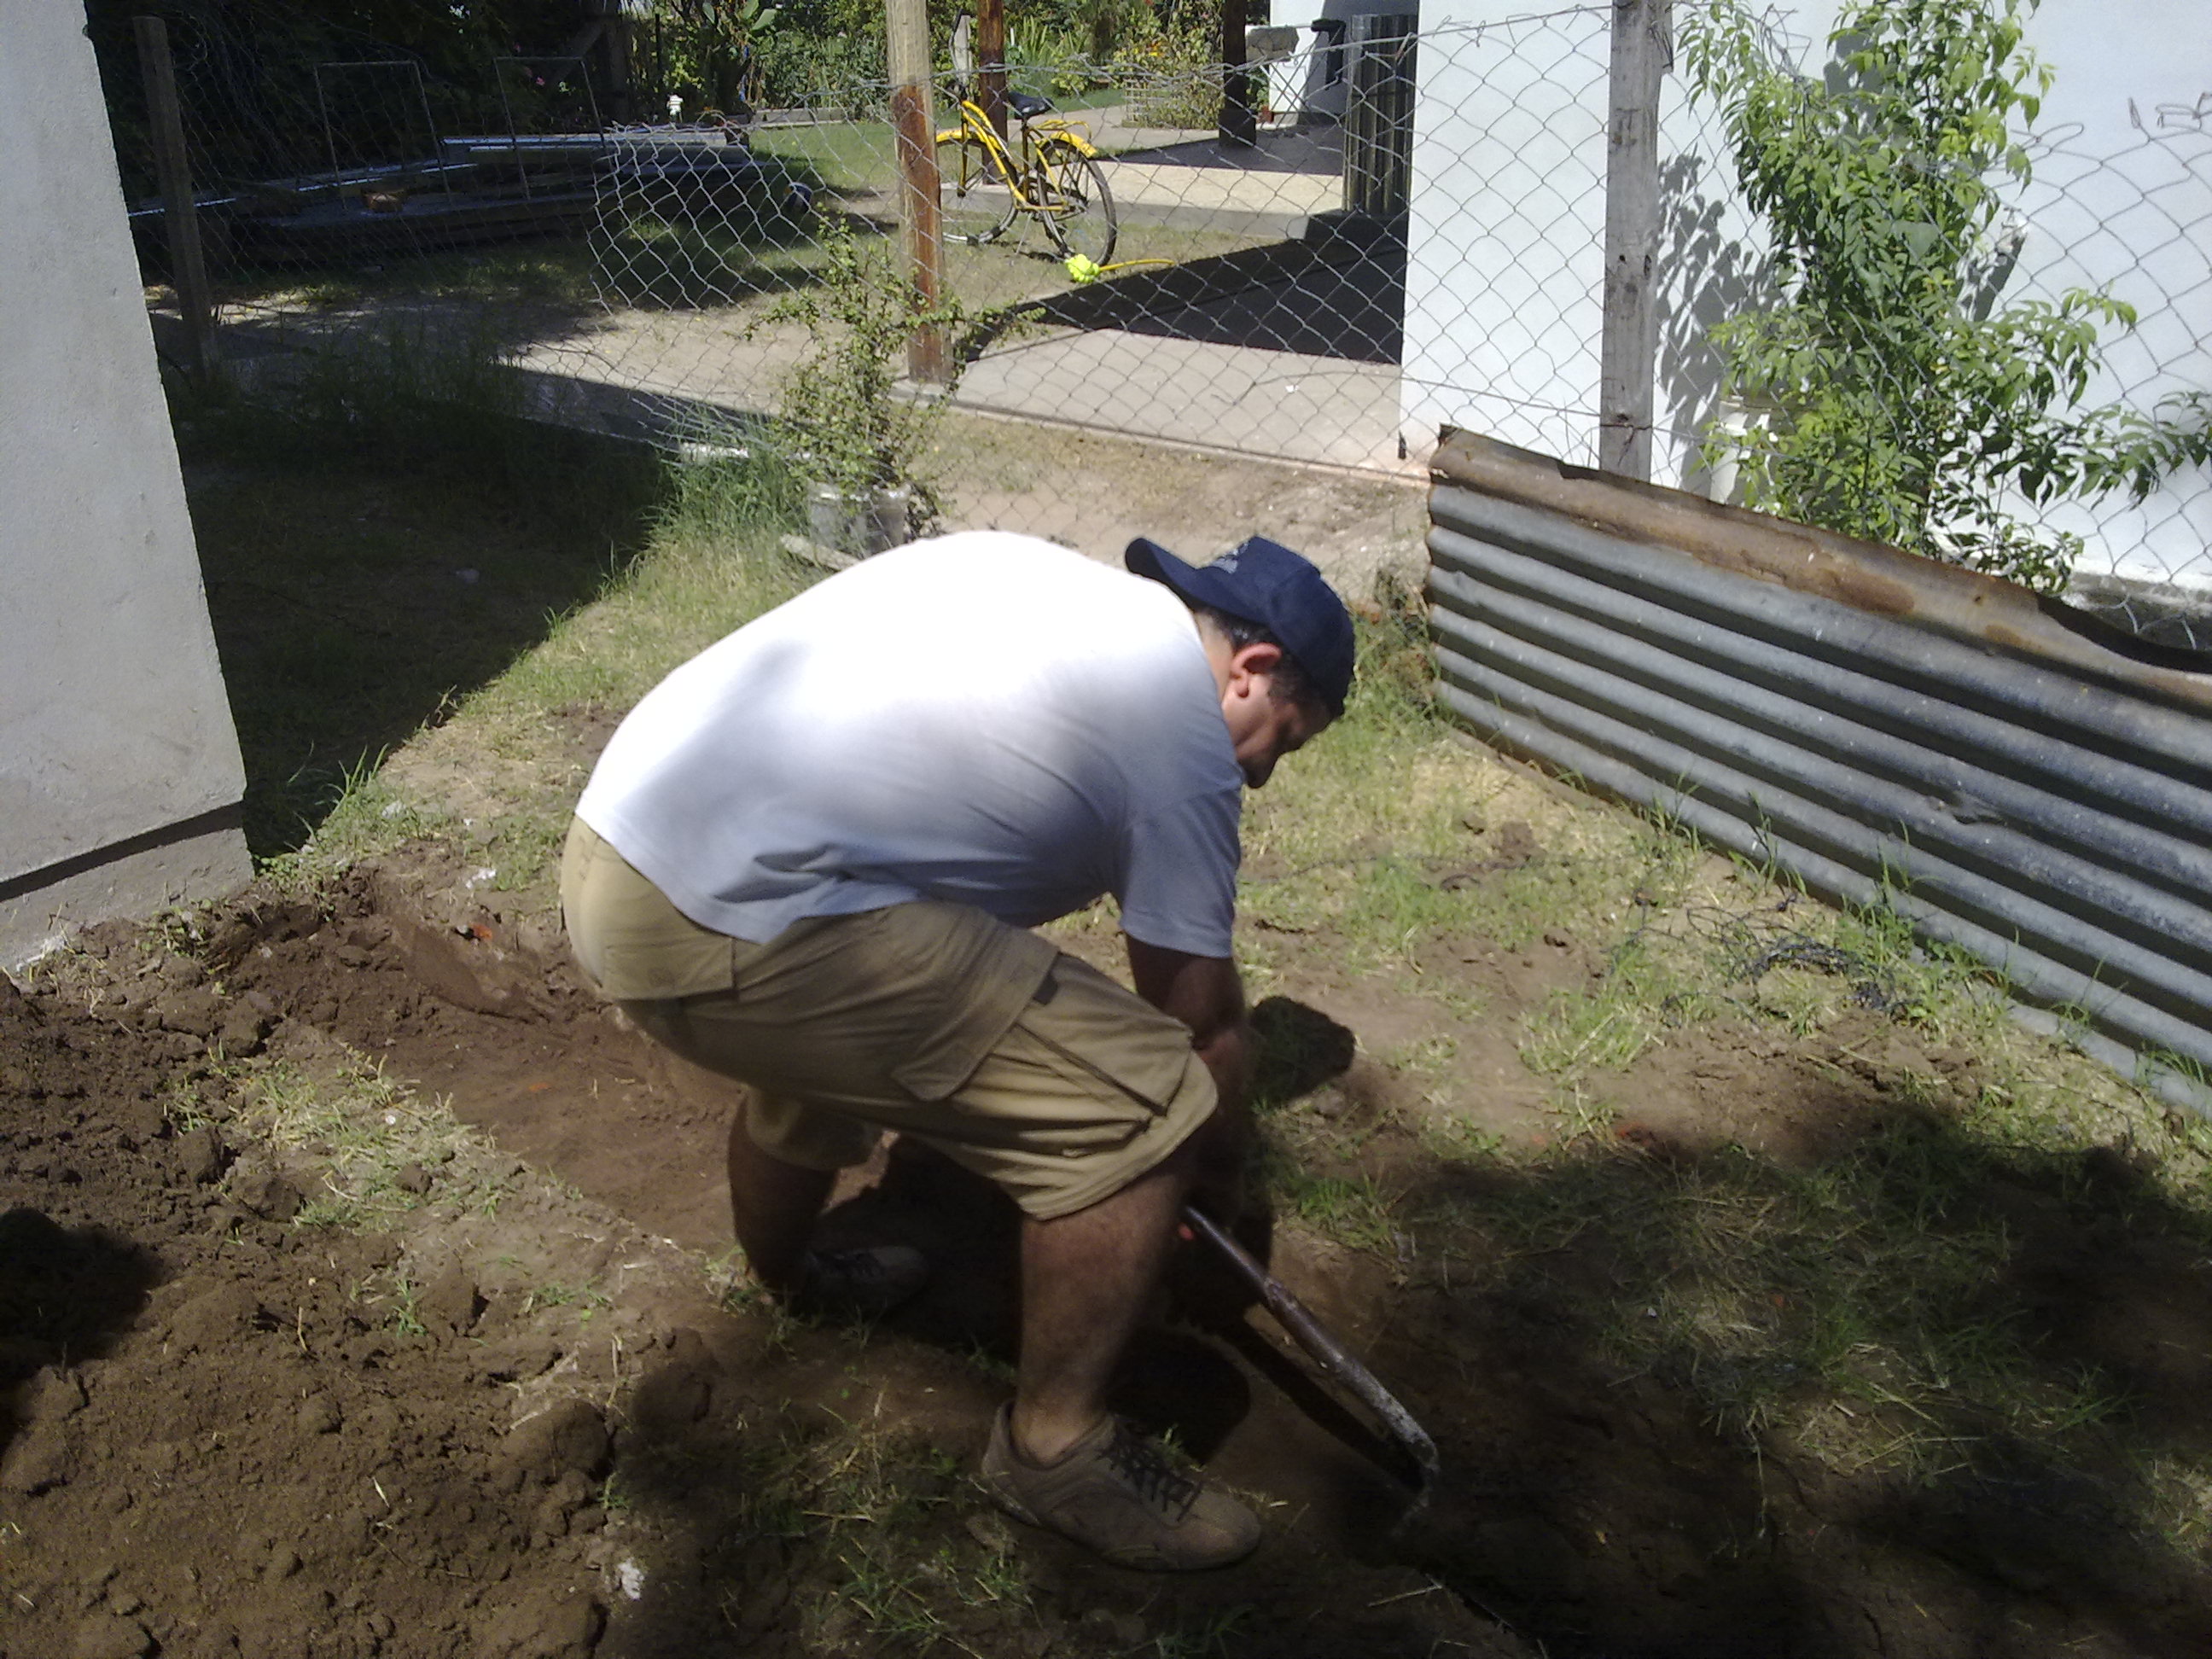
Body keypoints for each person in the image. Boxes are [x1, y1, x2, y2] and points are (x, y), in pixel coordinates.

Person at [560, 528, 1354, 1570]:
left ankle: (797, 1275)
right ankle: (1054, 1452)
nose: (1260, 779)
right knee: (1148, 1103)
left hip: (617, 852)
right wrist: (1213, 1181)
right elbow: (1198, 1027)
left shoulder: (1035, 578)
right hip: (722, 926)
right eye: (1281, 743)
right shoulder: (1178, 734)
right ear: (1252, 671)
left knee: (871, 999)